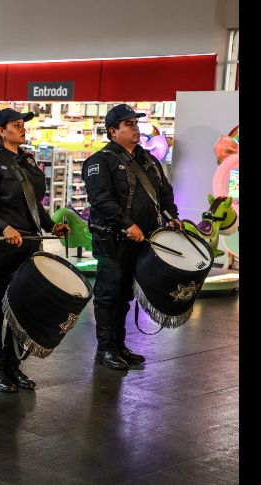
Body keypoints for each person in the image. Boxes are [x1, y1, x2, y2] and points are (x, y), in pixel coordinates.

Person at [0, 108, 70, 393]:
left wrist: (51, 225)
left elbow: (33, 203)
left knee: (21, 306)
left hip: (28, 242)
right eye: (16, 125)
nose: (22, 128)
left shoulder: (26, 160)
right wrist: (3, 227)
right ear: (1, 131)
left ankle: (13, 367)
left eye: (22, 125)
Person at [83, 104, 181, 371]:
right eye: (129, 124)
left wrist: (172, 215)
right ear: (113, 131)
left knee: (125, 294)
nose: (136, 128)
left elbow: (165, 192)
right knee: (108, 294)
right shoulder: (99, 162)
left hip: (141, 240)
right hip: (112, 239)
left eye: (136, 123)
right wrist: (128, 224)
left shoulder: (148, 160)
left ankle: (118, 345)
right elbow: (102, 200)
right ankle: (105, 349)